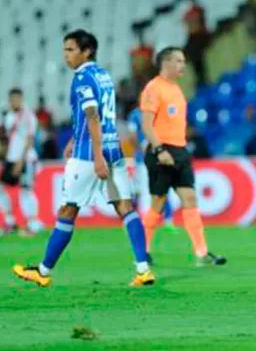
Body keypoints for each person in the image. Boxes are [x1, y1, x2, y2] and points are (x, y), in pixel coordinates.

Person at [12, 30, 154, 287]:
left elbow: (92, 116)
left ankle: (43, 272)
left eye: (70, 50)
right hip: (114, 149)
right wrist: (74, 139)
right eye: (65, 50)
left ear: (86, 51)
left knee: (68, 208)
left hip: (91, 155)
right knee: (125, 207)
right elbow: (94, 115)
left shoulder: (82, 79)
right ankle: (144, 270)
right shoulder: (103, 75)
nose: (66, 56)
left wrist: (96, 156)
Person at [140, 47, 225, 267]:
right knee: (157, 204)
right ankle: (143, 251)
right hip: (161, 151)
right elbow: (147, 125)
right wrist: (159, 150)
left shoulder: (176, 89)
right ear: (165, 63)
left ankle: (202, 253)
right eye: (179, 61)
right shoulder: (153, 88)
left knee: (190, 199)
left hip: (179, 150)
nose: (183, 65)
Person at [0, 88, 43, 235]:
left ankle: (33, 223)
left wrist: (21, 160)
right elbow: (6, 139)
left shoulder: (28, 116)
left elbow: (30, 139)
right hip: (11, 159)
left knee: (26, 190)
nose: (15, 101)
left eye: (17, 98)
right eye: (13, 99)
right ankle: (10, 221)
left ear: (22, 98)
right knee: (2, 188)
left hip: (26, 159)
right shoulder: (8, 116)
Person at [127, 107, 176, 232]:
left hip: (158, 157)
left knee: (162, 187)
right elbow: (132, 136)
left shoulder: (159, 112)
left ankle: (168, 220)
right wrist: (141, 150)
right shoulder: (135, 115)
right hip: (142, 159)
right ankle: (142, 221)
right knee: (143, 189)